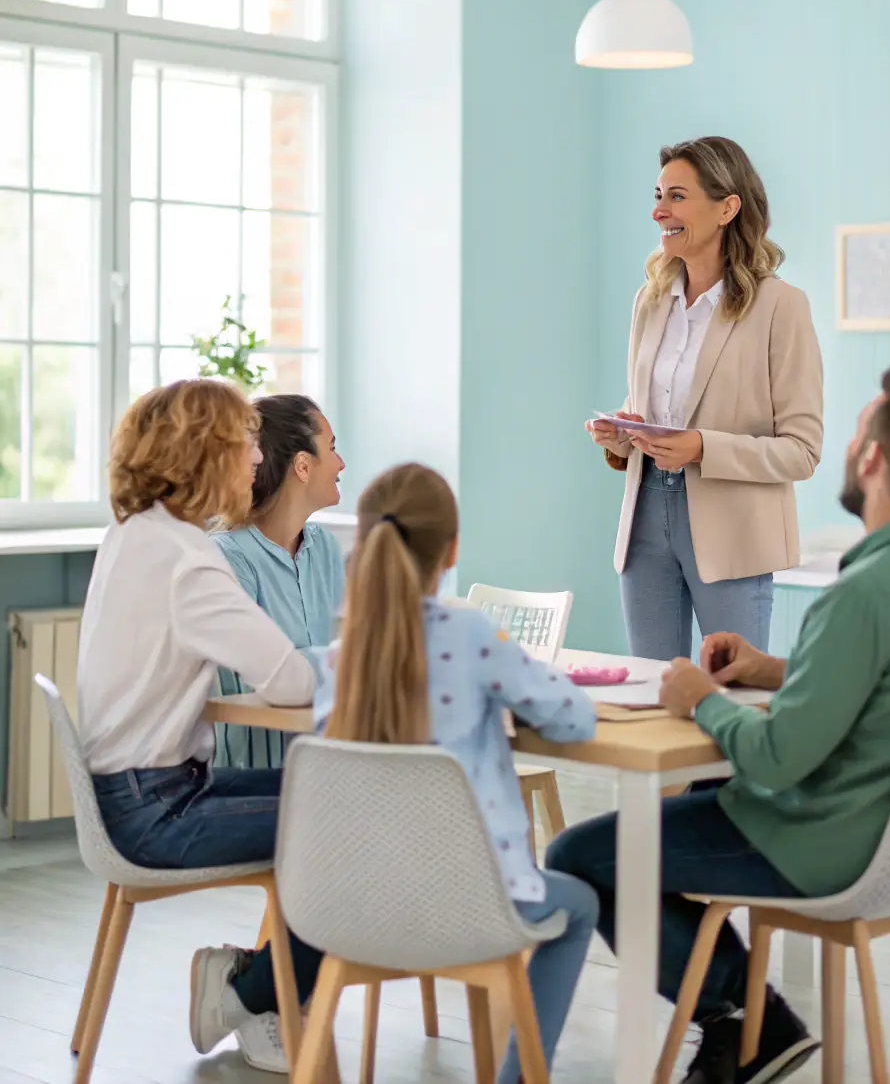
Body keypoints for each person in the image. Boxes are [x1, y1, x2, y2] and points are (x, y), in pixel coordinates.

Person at [554, 367, 890, 1084]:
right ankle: (750, 1020)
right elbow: (884, 684)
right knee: (668, 826)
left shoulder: (865, 592)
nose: (849, 447)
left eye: (856, 434)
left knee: (582, 853)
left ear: (873, 459)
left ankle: (745, 1017)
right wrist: (767, 670)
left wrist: (701, 697)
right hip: (884, 842)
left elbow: (778, 756)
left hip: (809, 836)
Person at [193, 462, 600, 1084]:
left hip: (345, 907)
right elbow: (572, 718)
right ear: (452, 549)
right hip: (472, 905)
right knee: (580, 905)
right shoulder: (471, 635)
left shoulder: (338, 656)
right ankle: (517, 1075)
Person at [77, 380, 318, 1073]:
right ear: (206, 452)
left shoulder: (133, 533)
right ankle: (248, 992)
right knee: (347, 817)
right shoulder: (189, 558)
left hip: (132, 794)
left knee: (326, 793)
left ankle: (255, 990)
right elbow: (292, 679)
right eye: (245, 441)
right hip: (158, 809)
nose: (254, 457)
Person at [587, 137, 823, 661]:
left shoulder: (780, 306)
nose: (659, 211)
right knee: (653, 695)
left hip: (733, 532)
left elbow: (801, 451)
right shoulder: (649, 301)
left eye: (676, 196)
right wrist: (622, 435)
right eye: (657, 195)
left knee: (733, 694)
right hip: (645, 516)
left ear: (727, 207)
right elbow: (652, 408)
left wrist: (701, 448)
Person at [213, 394, 346, 768]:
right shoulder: (228, 557)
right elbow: (251, 679)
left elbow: (347, 648)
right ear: (302, 466)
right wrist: (344, 663)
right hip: (255, 775)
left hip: (326, 761)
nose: (341, 463)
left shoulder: (325, 548)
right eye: (332, 448)